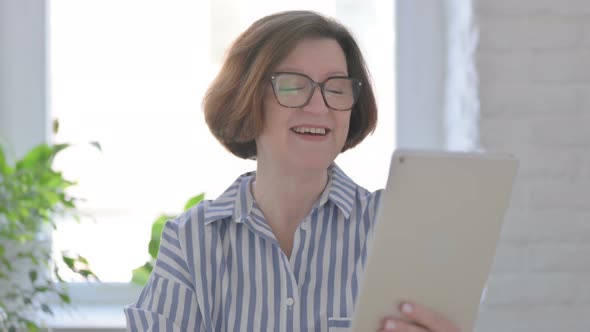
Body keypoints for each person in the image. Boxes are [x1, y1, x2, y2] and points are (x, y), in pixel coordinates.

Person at [125, 10, 460, 332]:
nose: (319, 106)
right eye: (292, 85)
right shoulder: (190, 241)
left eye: (336, 87)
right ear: (247, 99)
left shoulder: (396, 228)